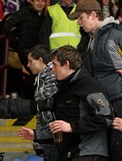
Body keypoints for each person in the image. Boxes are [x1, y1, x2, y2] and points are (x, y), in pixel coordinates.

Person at [67, 0, 122, 160]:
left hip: (117, 102)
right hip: (107, 103)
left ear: (93, 15)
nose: (78, 23)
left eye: (80, 18)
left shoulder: (112, 37)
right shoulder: (94, 38)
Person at [49, 45, 113, 161]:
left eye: (55, 65)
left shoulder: (89, 86)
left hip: (89, 153)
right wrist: (36, 135)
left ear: (67, 64)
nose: (53, 69)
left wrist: (71, 127)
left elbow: (105, 117)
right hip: (71, 153)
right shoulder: (65, 87)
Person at [19, 44, 58, 161]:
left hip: (53, 139)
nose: (28, 65)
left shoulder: (52, 75)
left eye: (30, 61)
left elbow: (51, 108)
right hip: (46, 138)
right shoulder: (42, 77)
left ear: (40, 60)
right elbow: (41, 111)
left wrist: (42, 137)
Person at [3, 0, 46, 99]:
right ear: (31, 1)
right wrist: (18, 41)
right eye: (37, 0)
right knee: (36, 76)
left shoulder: (42, 16)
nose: (40, 3)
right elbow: (7, 26)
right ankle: (25, 101)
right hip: (26, 51)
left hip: (38, 52)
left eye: (42, 1)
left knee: (37, 76)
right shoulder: (24, 12)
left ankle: (26, 102)